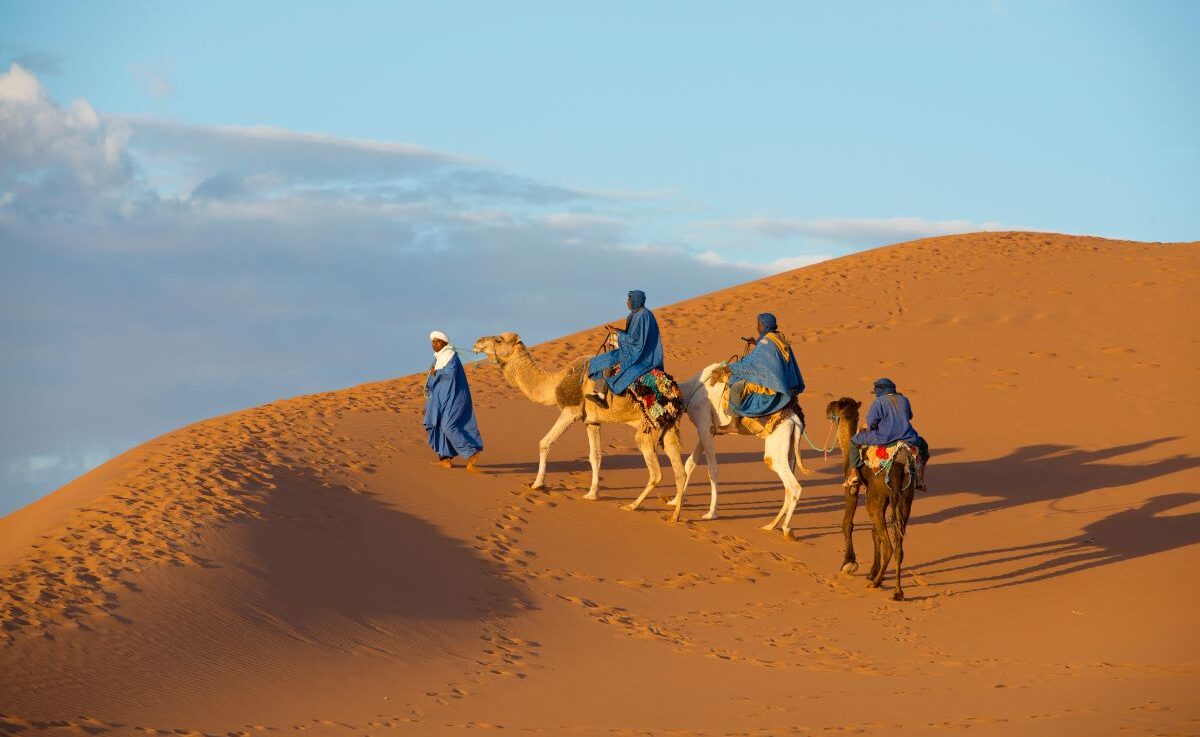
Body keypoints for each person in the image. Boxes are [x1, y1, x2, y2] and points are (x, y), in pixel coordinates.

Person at [585, 290, 664, 408]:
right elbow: (632, 335)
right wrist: (616, 330)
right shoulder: (638, 314)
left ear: (635, 300)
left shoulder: (642, 316)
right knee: (610, 356)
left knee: (610, 359)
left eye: (629, 299)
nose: (627, 302)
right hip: (637, 349)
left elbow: (635, 340)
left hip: (642, 354)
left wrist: (617, 333)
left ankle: (602, 395)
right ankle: (600, 392)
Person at [850, 377, 929, 489]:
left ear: (878, 391)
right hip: (908, 437)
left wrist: (870, 428)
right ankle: (920, 478)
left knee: (854, 441)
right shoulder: (904, 399)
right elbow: (910, 416)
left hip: (883, 437)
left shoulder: (878, 402)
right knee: (924, 447)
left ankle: (853, 474)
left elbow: (871, 422)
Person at [424, 330, 484, 471]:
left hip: (454, 399)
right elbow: (432, 382)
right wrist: (429, 404)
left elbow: (449, 374)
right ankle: (445, 458)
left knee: (447, 425)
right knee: (438, 425)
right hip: (439, 400)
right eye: (433, 341)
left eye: (437, 341)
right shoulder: (438, 359)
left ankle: (471, 451)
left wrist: (436, 373)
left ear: (445, 343)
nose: (434, 344)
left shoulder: (451, 356)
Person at [727, 312, 804, 417]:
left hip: (771, 385)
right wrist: (757, 342)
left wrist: (731, 368)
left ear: (764, 326)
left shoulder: (766, 342)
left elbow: (753, 365)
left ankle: (734, 421)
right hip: (784, 381)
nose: (757, 327)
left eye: (758, 324)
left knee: (736, 387)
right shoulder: (778, 337)